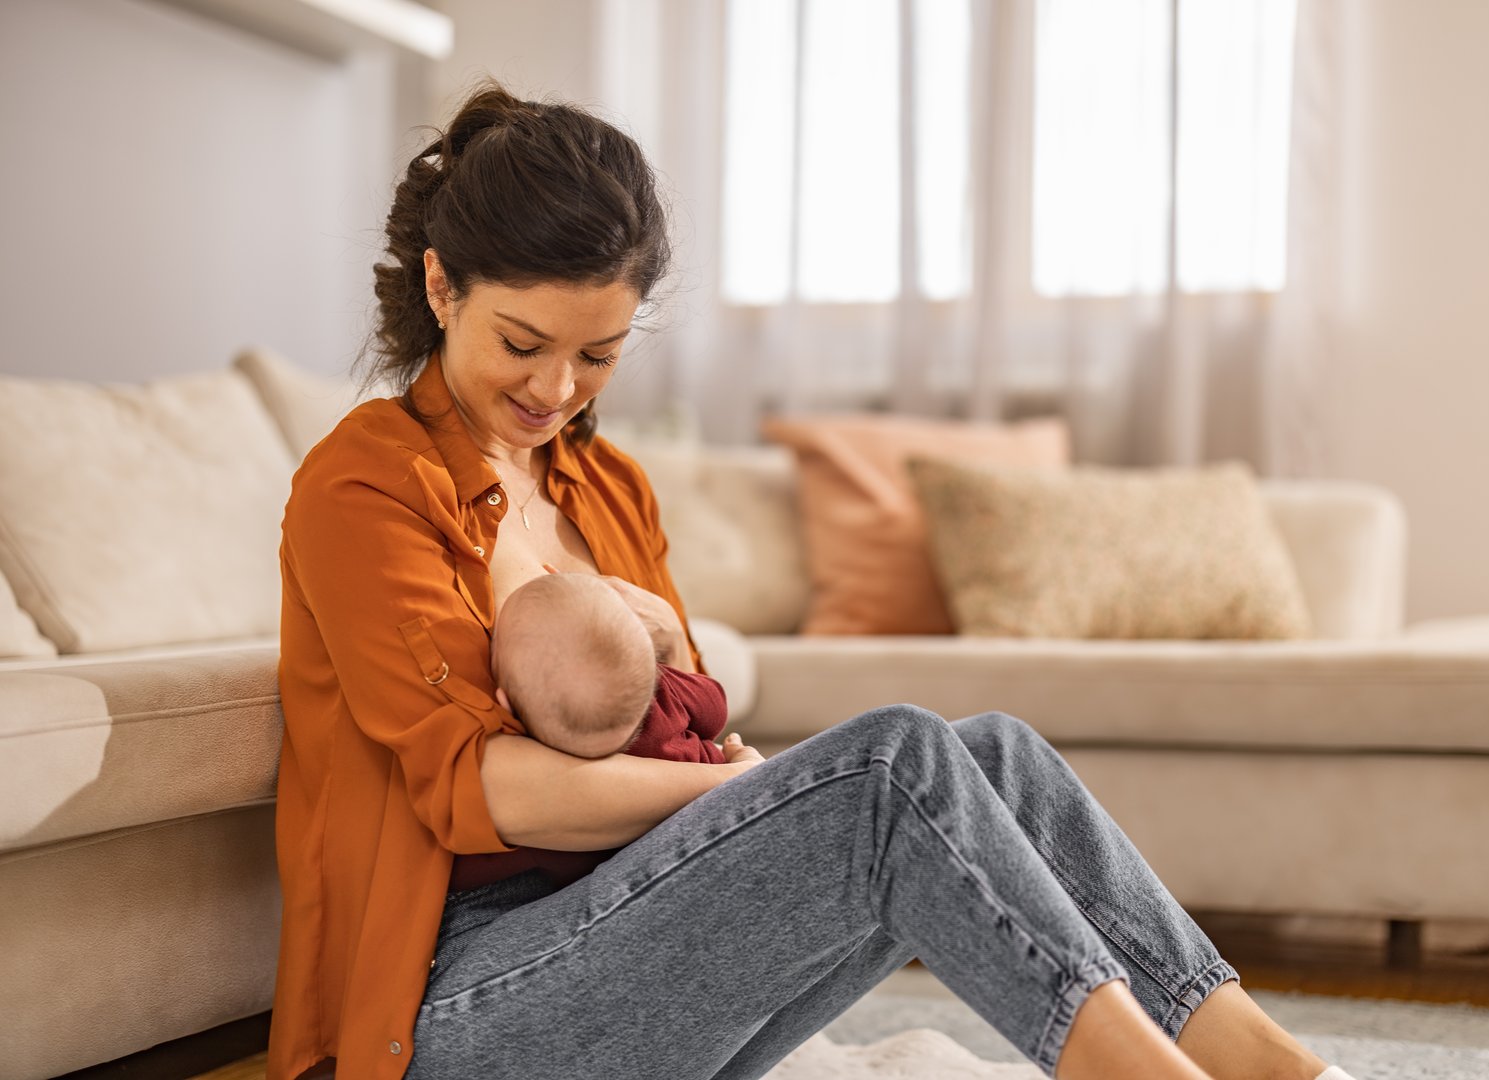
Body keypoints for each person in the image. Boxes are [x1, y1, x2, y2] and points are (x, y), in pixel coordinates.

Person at [267, 82, 1361, 1080]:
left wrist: (740, 779)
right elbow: (488, 792)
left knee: (998, 759)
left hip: (629, 925)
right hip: (457, 1006)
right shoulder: (364, 489)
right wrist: (755, 791)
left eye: (598, 355)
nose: (558, 388)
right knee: (894, 763)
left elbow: (687, 731)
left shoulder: (607, 486)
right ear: (442, 286)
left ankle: (1277, 1068)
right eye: (524, 343)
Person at [490, 569, 733, 765]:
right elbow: (714, 711)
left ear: (506, 703)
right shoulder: (665, 693)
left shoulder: (541, 754)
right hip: (709, 792)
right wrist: (742, 760)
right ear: (652, 669)